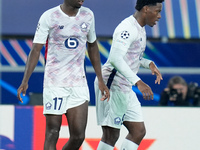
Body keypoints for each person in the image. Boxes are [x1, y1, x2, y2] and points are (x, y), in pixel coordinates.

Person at [17, 0, 110, 150]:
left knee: (78, 136)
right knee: (53, 132)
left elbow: (92, 45)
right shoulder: (49, 16)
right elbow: (35, 50)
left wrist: (100, 79)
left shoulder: (88, 15)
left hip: (78, 83)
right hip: (55, 84)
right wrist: (25, 80)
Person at [94, 0, 164, 149]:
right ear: (146, 9)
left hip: (125, 86)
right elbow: (115, 58)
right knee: (111, 135)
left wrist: (148, 63)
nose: (159, 16)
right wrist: (138, 82)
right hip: (112, 85)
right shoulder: (127, 28)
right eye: (157, 11)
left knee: (138, 131)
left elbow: (131, 57)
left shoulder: (140, 28)